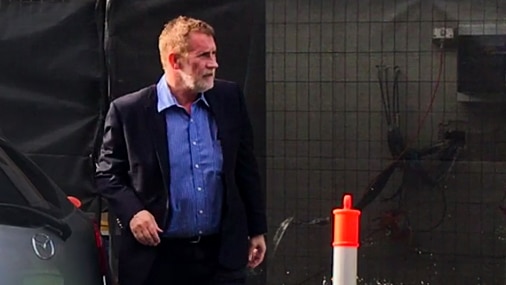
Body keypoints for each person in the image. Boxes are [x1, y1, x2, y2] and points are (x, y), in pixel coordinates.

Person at [95, 15, 267, 285]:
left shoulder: (229, 98)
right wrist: (133, 212)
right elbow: (107, 174)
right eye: (204, 55)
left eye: (214, 53)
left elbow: (246, 167)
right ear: (175, 61)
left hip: (219, 256)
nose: (214, 63)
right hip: (157, 260)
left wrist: (257, 229)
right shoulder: (130, 111)